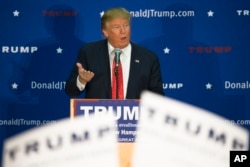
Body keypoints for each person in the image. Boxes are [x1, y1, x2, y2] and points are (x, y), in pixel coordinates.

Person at [65, 7, 164, 99]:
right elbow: (70, 91)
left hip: (135, 116)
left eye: (126, 25)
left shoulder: (148, 58)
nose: (123, 31)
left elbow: (158, 98)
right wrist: (81, 80)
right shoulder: (89, 52)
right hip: (100, 116)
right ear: (105, 32)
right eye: (116, 27)